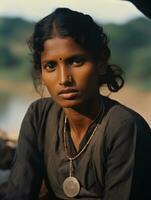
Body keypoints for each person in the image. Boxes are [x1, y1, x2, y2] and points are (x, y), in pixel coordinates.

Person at [3, 7, 151, 200]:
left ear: (100, 62)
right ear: (41, 72)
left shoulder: (123, 127)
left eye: (77, 61)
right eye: (51, 66)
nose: (64, 79)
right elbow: (19, 193)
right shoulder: (38, 115)